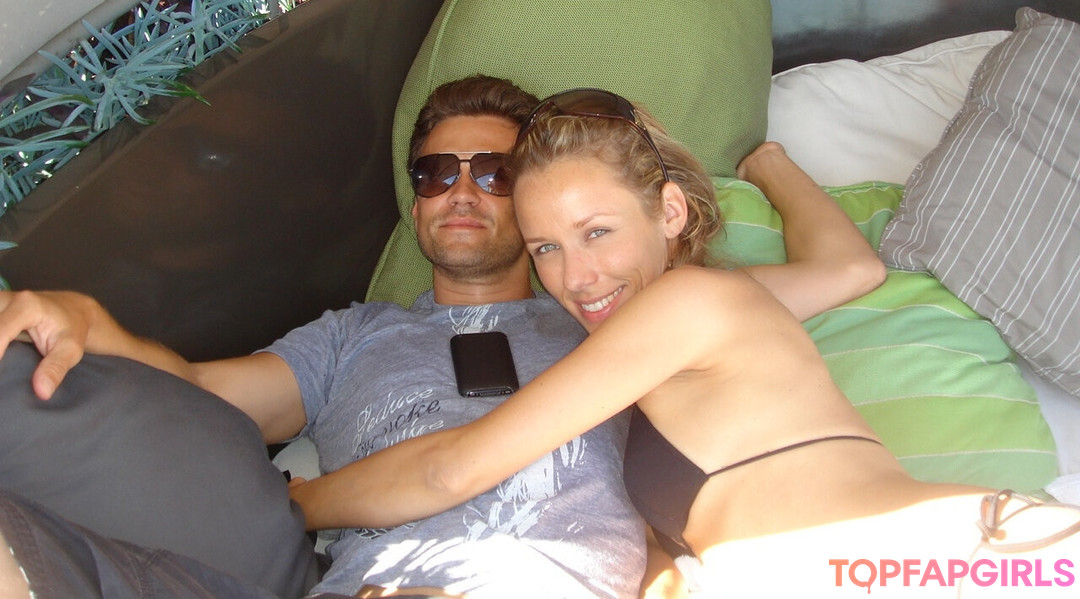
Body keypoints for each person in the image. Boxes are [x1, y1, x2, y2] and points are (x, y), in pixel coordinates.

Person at [0, 78, 882, 599]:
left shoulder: (619, 310)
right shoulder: (350, 334)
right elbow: (198, 397)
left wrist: (768, 158)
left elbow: (847, 269)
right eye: (434, 173)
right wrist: (94, 322)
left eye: (494, 172)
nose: (460, 190)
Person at [283, 89, 1080, 597]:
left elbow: (451, 468)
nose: (576, 277)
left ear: (669, 213)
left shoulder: (688, 305)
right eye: (547, 246)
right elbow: (847, 269)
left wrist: (297, 502)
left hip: (935, 564)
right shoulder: (688, 318)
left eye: (597, 231)